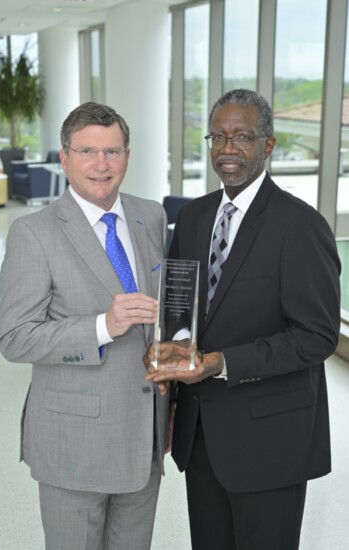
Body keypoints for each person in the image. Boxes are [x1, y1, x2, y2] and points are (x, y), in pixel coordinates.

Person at [145, 89, 341, 550]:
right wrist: (171, 391)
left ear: (267, 145)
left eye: (242, 137)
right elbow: (184, 319)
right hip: (202, 437)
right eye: (218, 137)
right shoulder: (192, 218)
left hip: (271, 440)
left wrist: (222, 362)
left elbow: (317, 336)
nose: (227, 149)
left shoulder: (301, 225)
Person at [0, 101, 170, 550]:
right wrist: (101, 326)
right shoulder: (33, 232)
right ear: (64, 158)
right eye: (88, 151)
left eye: (113, 152)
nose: (101, 164)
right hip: (72, 445)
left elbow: (163, 312)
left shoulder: (149, 215)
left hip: (143, 436)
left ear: (128, 157)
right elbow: (15, 338)